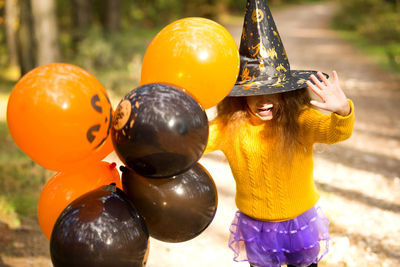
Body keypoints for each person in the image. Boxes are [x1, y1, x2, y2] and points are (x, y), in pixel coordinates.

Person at [204, 1, 355, 267]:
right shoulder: (230, 126)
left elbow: (334, 132)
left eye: (273, 91)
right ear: (241, 97)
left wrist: (342, 111)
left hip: (300, 223)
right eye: (254, 93)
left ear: (286, 92)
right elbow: (196, 141)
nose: (264, 100)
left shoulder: (298, 120)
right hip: (256, 227)